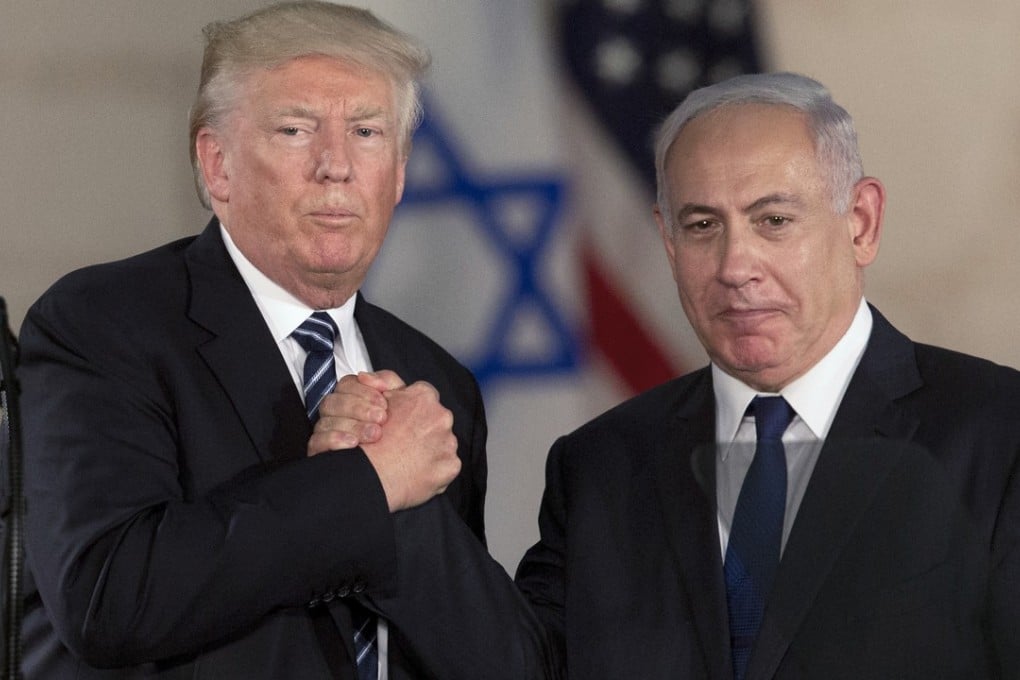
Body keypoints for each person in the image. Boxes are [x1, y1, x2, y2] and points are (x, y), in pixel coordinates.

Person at [336, 72, 1020, 678]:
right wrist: (388, 496)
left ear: (861, 222)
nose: (733, 264)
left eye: (774, 220)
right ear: (667, 240)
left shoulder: (997, 432)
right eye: (702, 226)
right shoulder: (600, 464)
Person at [18, 3, 552, 679]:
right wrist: (363, 484)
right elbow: (107, 598)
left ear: (400, 171)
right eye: (296, 130)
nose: (336, 166)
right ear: (218, 167)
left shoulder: (433, 381)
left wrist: (404, 504)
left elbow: (499, 664)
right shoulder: (106, 324)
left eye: (366, 131)